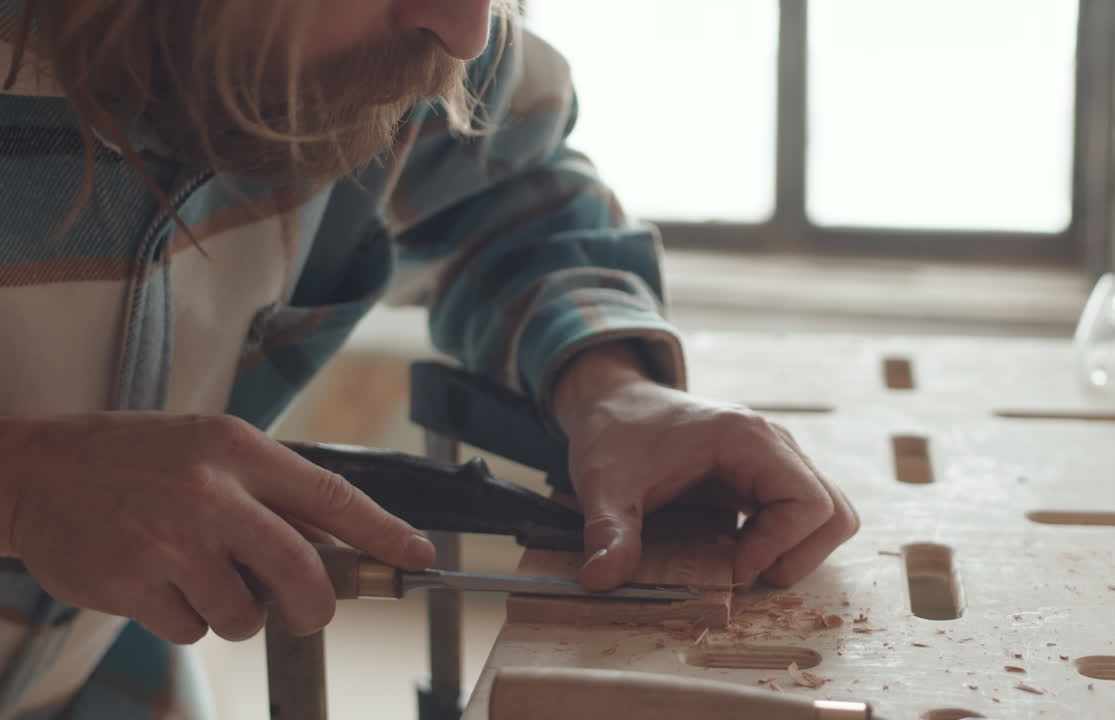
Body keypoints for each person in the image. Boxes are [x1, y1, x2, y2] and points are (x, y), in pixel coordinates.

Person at [0, 0, 860, 716]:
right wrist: (23, 488)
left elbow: (513, 194)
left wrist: (608, 385)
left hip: (102, 685)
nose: (468, 31)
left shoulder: (397, 28)